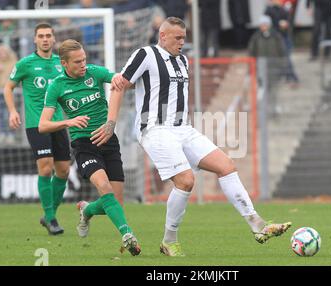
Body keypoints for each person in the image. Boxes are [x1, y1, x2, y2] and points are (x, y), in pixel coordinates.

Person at [110, 17, 292, 257]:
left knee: (226, 165)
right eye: (178, 38)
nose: (182, 43)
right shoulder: (145, 54)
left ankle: (257, 225)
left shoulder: (183, 60)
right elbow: (120, 84)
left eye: (184, 38)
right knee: (185, 181)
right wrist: (110, 123)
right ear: (162, 36)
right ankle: (169, 241)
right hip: (155, 129)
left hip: (183, 129)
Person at [39, 39, 141, 256]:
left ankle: (87, 210)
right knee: (104, 186)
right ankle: (127, 234)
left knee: (115, 201)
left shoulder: (94, 73)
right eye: (77, 62)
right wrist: (68, 122)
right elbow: (43, 125)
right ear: (64, 63)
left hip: (108, 140)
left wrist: (116, 78)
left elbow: (116, 78)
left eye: (84, 59)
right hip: (84, 143)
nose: (83, 64)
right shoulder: (57, 85)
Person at [3, 23, 70, 235]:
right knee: (46, 167)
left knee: (64, 171)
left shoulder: (61, 64)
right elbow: (8, 86)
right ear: (35, 40)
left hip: (58, 122)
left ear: (54, 38)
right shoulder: (25, 64)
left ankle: (50, 214)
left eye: (48, 35)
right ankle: (51, 219)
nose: (45, 39)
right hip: (36, 124)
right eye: (41, 36)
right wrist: (13, 111)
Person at [248, 15, 287, 116]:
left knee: (274, 91)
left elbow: (282, 52)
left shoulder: (276, 36)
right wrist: (252, 68)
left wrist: (282, 66)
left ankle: (273, 108)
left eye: (265, 24)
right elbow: (251, 53)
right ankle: (263, 111)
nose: (264, 26)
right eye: (262, 24)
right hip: (261, 69)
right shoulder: (256, 37)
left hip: (274, 68)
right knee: (263, 90)